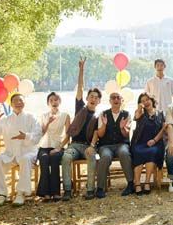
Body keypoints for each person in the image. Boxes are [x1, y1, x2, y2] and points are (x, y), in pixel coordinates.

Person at [0, 93, 41, 206]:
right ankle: (1, 194)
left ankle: (21, 193)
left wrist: (25, 136)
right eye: (15, 101)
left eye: (21, 100)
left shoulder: (32, 117)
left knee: (25, 159)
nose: (18, 103)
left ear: (25, 102)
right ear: (11, 104)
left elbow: (37, 136)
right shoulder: (5, 119)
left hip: (29, 152)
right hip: (11, 154)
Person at [62, 58, 100, 201]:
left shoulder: (99, 116)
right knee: (66, 157)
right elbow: (80, 87)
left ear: (99, 101)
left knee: (92, 157)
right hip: (74, 145)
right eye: (91, 96)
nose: (93, 99)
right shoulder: (80, 108)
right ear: (87, 98)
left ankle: (90, 189)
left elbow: (96, 133)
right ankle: (67, 189)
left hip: (88, 147)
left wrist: (92, 146)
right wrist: (81, 70)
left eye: (96, 98)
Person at [94, 91, 134, 198]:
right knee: (105, 156)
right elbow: (100, 134)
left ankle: (131, 184)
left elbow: (126, 134)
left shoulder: (126, 114)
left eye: (118, 97)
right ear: (110, 101)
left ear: (121, 100)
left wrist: (122, 128)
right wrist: (104, 125)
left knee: (124, 153)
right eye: (113, 98)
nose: (116, 99)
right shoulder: (103, 114)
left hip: (121, 144)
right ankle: (100, 188)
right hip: (105, 145)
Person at [37, 92, 70, 201]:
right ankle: (45, 193)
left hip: (58, 145)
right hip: (44, 145)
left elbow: (68, 135)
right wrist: (48, 122)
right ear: (48, 103)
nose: (54, 102)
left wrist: (58, 148)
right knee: (44, 158)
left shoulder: (65, 115)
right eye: (51, 100)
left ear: (59, 101)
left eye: (56, 100)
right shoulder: (43, 115)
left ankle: (56, 192)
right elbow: (41, 133)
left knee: (55, 158)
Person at [131, 93, 165, 195]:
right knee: (138, 152)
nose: (146, 102)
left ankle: (147, 182)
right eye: (143, 101)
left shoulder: (160, 113)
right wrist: (139, 108)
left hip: (155, 143)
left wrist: (154, 140)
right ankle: (137, 183)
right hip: (139, 142)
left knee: (152, 152)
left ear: (152, 100)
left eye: (147, 99)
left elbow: (163, 129)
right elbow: (137, 116)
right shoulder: (140, 112)